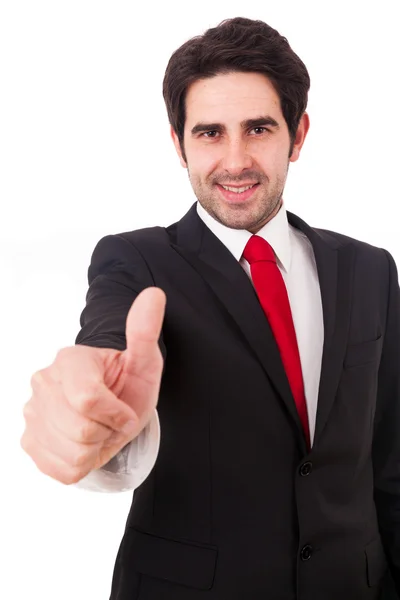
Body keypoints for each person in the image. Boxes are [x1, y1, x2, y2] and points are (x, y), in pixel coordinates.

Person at [20, 16, 400, 600]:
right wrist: (97, 410)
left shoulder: (371, 270)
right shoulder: (136, 261)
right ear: (178, 144)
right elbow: (111, 345)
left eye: (258, 128)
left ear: (298, 135)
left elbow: (389, 463)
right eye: (210, 133)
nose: (236, 160)